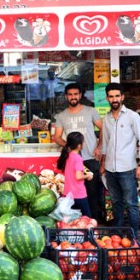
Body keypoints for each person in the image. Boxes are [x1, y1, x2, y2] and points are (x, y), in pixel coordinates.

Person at [100, 82, 140, 237]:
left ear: (122, 97)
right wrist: (102, 163)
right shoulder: (106, 118)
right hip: (110, 169)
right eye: (111, 96)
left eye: (117, 96)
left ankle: (132, 236)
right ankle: (118, 235)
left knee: (131, 204)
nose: (114, 99)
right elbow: (106, 142)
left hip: (127, 168)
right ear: (107, 98)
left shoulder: (132, 116)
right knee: (116, 203)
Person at [53, 83, 104, 221]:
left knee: (92, 194)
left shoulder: (91, 111)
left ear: (80, 95)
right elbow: (57, 137)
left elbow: (103, 128)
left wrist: (99, 146)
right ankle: (76, 223)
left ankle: (93, 223)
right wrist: (69, 146)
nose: (73, 97)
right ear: (66, 96)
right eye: (70, 94)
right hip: (74, 161)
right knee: (75, 195)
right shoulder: (61, 116)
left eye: (76, 94)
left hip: (91, 158)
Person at [56, 131, 94, 217]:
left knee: (72, 220)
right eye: (83, 142)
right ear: (79, 145)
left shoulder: (67, 155)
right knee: (87, 219)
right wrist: (88, 175)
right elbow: (78, 176)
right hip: (79, 195)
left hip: (68, 194)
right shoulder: (78, 158)